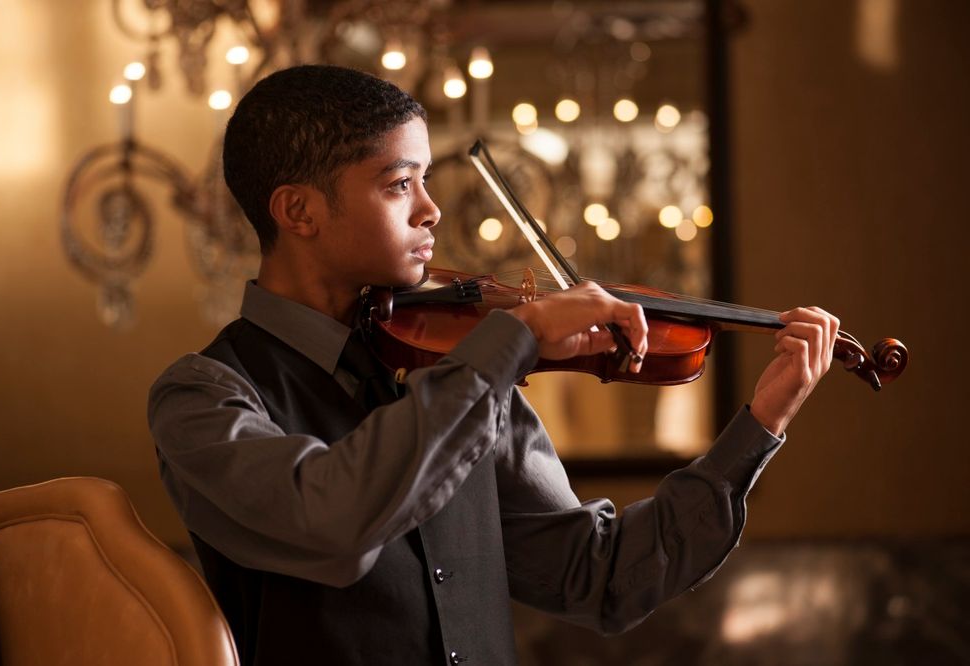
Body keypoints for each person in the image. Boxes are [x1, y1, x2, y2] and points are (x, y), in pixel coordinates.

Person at [148, 64, 839, 666]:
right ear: (298, 210)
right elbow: (333, 522)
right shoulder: (204, 397)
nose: (431, 208)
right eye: (398, 183)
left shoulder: (460, 364)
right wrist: (510, 346)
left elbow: (596, 579)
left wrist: (760, 425)